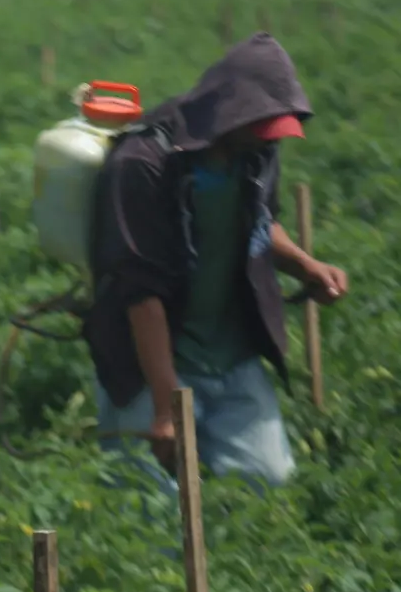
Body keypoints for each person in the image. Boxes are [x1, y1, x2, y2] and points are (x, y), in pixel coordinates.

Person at [86, 33, 347, 491]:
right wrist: (166, 409)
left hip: (230, 353)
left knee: (267, 484)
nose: (267, 140)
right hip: (150, 362)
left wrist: (306, 266)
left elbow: (261, 223)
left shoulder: (256, 152)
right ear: (232, 111)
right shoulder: (143, 162)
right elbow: (139, 291)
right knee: (149, 509)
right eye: (261, 126)